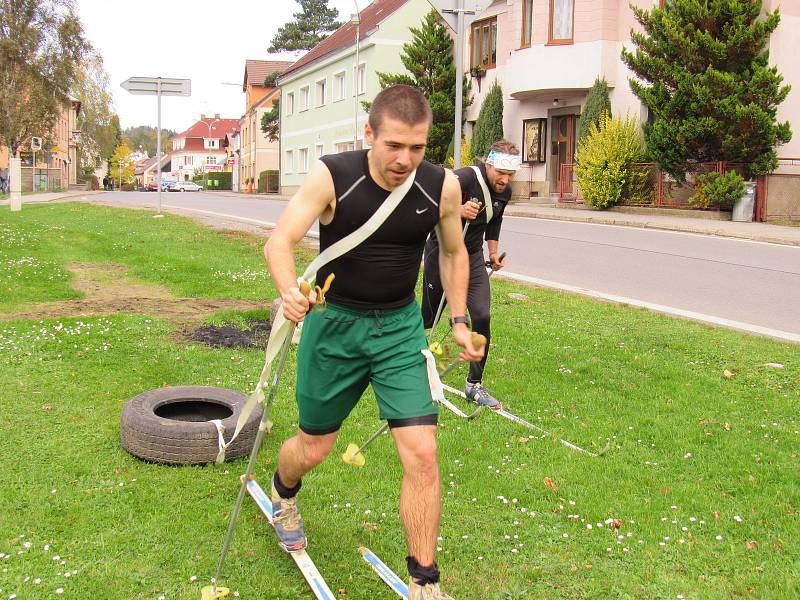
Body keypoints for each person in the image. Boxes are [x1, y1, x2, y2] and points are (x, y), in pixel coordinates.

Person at [264, 84, 482, 600]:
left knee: (423, 452)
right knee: (315, 447)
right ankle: (283, 489)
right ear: (370, 134)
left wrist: (457, 319)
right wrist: (290, 292)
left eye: (418, 147)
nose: (405, 160)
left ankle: (425, 582)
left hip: (399, 330)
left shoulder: (440, 186)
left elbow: (453, 254)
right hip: (333, 325)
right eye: (394, 146)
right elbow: (280, 240)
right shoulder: (333, 175)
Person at [421, 140, 520, 409]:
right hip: (441, 251)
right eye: (500, 172)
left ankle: (474, 384)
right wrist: (458, 210)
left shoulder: (505, 191)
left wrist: (494, 254)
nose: (504, 179)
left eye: (510, 174)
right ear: (487, 164)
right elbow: (430, 203)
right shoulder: (464, 177)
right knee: (428, 319)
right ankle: (409, 369)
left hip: (473, 256)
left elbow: (495, 221)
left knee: (482, 315)